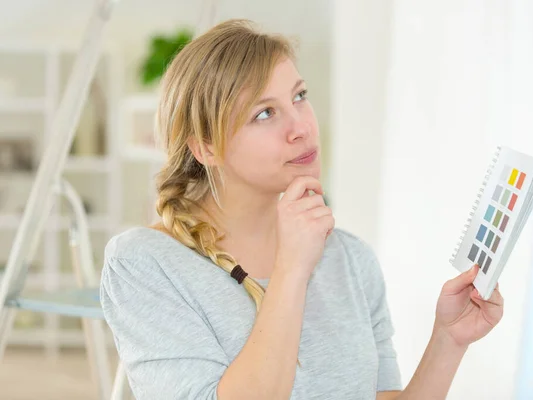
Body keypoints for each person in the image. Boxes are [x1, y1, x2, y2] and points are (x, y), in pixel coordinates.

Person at [99, 19, 504, 400]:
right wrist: (291, 269)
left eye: (299, 96)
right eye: (264, 113)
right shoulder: (144, 263)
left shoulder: (350, 259)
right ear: (205, 147)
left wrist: (448, 340)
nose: (302, 127)